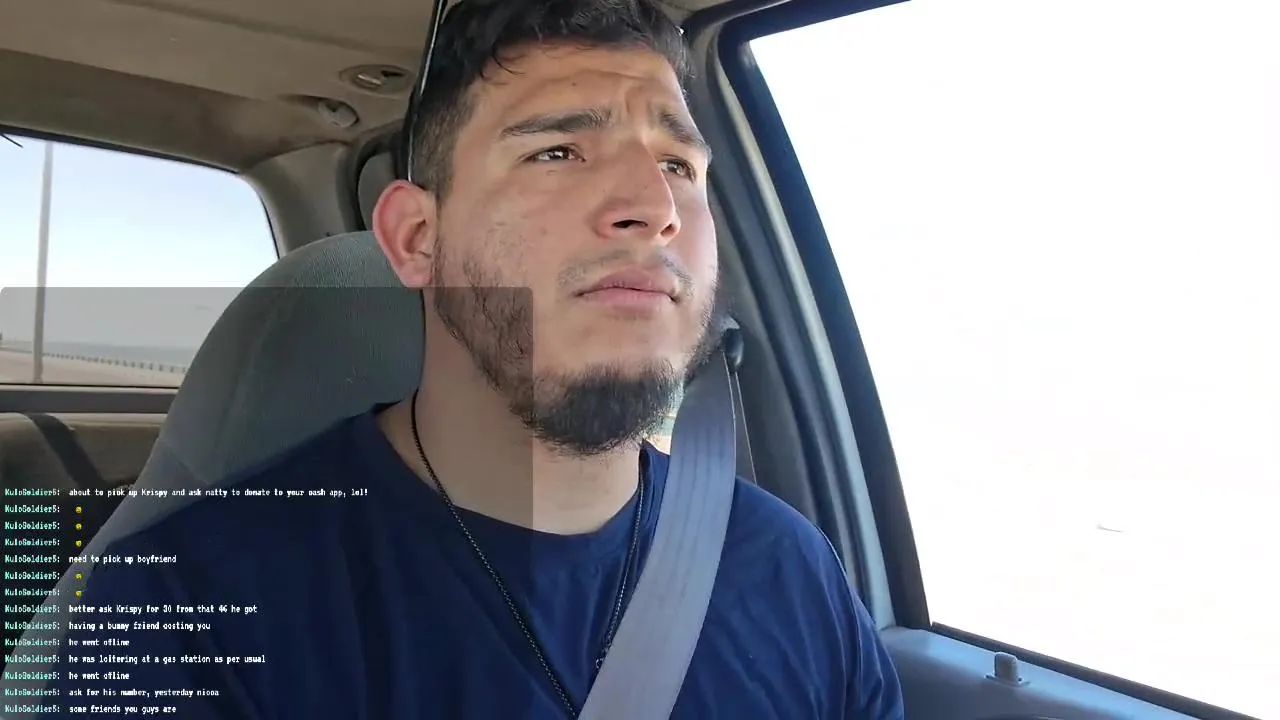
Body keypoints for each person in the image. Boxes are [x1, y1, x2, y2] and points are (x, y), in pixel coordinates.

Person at [44, 0, 904, 717]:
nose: (655, 206)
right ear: (417, 238)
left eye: (679, 163)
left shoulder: (791, 570)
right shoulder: (185, 611)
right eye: (557, 152)